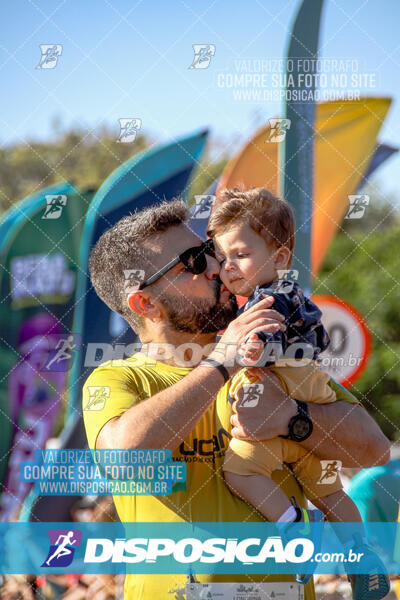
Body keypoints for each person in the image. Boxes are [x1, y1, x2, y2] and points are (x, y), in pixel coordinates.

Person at [82, 199, 390, 600]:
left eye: (210, 252)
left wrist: (292, 418)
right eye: (194, 262)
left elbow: (375, 451)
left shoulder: (274, 362)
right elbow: (125, 459)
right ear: (146, 303)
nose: (218, 268)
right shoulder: (118, 378)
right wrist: (221, 363)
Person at [207, 187, 390, 598]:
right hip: (309, 401)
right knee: (329, 490)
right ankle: (362, 556)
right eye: (221, 259)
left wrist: (251, 350)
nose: (228, 267)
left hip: (279, 391)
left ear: (280, 258)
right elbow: (318, 335)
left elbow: (265, 340)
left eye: (240, 254)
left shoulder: (265, 299)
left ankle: (292, 525)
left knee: (239, 471)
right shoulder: (293, 296)